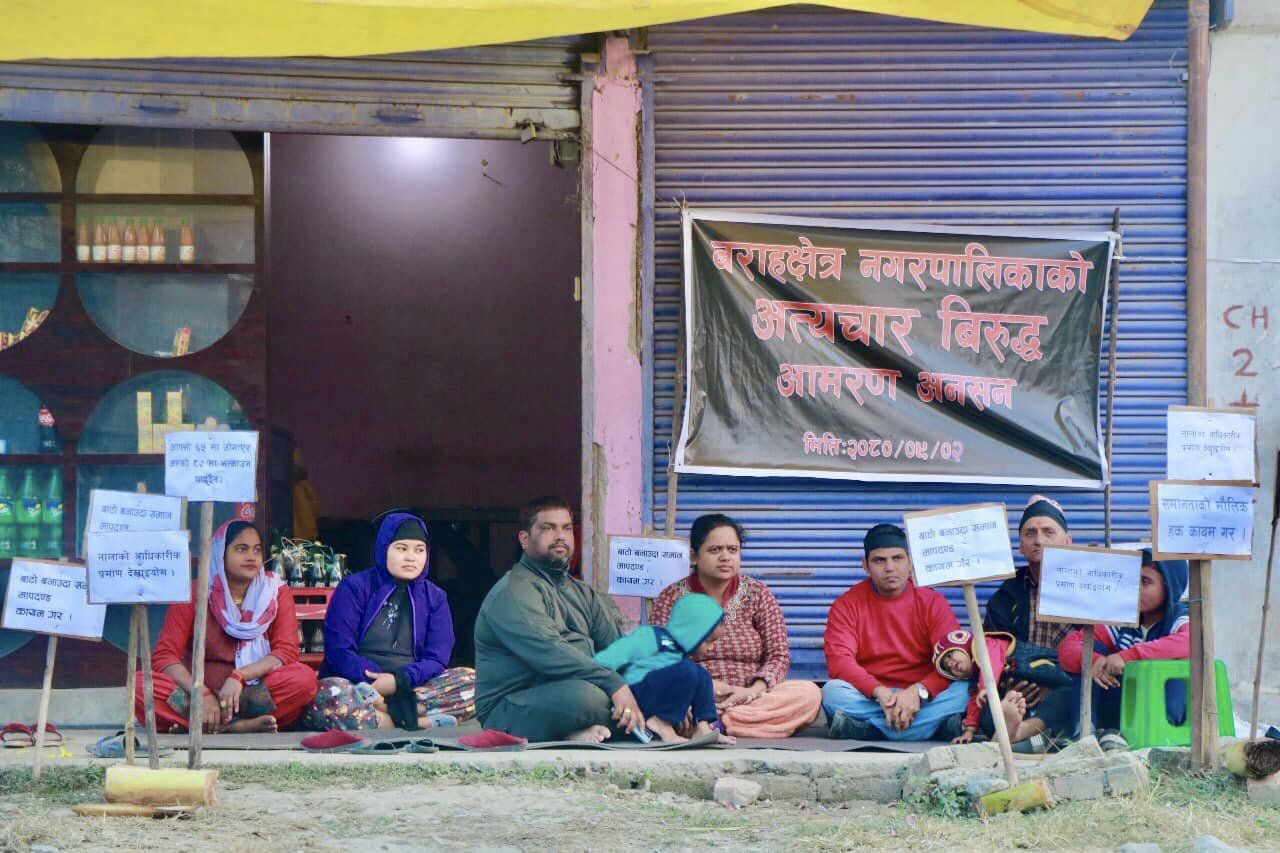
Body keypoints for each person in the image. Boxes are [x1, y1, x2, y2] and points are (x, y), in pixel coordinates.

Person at [474, 497, 642, 743]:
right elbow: (549, 652)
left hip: (572, 689)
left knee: (656, 685)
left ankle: (575, 731)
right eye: (548, 528)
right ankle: (630, 723)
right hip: (511, 706)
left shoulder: (583, 593)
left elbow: (617, 650)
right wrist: (614, 684)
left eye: (566, 528)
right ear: (524, 539)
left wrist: (648, 686)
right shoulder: (513, 591)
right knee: (589, 698)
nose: (560, 536)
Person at [651, 514, 822, 739]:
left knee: (809, 694)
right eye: (715, 550)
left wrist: (751, 691)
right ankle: (728, 722)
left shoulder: (757, 593)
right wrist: (704, 687)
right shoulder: (672, 598)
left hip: (752, 697)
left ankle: (719, 724)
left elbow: (778, 655)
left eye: (732, 550)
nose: (725, 557)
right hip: (694, 695)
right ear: (694, 556)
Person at [139, 521, 318, 733]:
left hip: (252, 693)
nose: (251, 557)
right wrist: (201, 693)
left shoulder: (275, 591)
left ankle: (203, 726)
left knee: (303, 679)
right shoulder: (195, 593)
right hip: (197, 695)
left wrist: (239, 675)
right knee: (141, 684)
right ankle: (236, 726)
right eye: (241, 549)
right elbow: (165, 656)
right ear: (220, 555)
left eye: (257, 550)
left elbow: (286, 652)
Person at [307, 512, 475, 731]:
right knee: (327, 695)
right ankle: (417, 721)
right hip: (361, 685)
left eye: (419, 550)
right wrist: (374, 682)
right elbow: (339, 650)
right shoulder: (354, 588)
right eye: (401, 548)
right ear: (383, 548)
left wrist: (398, 681)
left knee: (472, 683)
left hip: (411, 686)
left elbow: (437, 658)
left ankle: (385, 716)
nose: (411, 557)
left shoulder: (435, 597)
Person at [821, 523, 969, 741]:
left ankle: (873, 730)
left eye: (897, 558)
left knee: (964, 689)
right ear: (865, 566)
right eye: (879, 561)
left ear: (910, 562)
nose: (889, 567)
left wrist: (919, 691)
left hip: (922, 696)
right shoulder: (847, 605)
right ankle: (926, 728)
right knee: (832, 692)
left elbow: (951, 661)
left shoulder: (932, 602)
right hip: (873, 696)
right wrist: (880, 692)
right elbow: (840, 662)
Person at [1058, 549, 1190, 741]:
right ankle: (1086, 733)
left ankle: (1142, 736)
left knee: (1175, 668)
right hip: (1124, 709)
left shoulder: (1179, 618)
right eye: (1132, 581)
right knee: (1088, 655)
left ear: (1170, 587)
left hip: (1164, 715)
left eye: (1145, 582)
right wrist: (1096, 661)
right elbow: (1069, 647)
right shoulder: (1125, 621)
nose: (1136, 589)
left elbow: (1190, 642)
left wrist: (1127, 657)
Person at [982, 495, 1079, 741]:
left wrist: (1051, 682)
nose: (1039, 540)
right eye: (1030, 533)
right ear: (1020, 546)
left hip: (1068, 685)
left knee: (1072, 698)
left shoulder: (1086, 589)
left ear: (1067, 542)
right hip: (1020, 688)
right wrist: (1009, 685)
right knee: (987, 709)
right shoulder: (1006, 595)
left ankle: (1020, 733)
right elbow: (993, 649)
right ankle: (1023, 731)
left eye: (1049, 532)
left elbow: (1097, 648)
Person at [593, 593, 731, 744]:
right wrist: (610, 686)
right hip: (634, 696)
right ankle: (662, 724)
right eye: (708, 641)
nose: (711, 648)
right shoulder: (651, 636)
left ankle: (703, 727)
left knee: (702, 675)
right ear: (691, 631)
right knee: (688, 670)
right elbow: (609, 658)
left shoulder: (680, 653)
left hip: (654, 698)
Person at [933, 628, 1067, 752]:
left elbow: (991, 662)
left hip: (1053, 673)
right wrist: (969, 731)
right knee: (987, 715)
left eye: (949, 655)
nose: (951, 663)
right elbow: (975, 704)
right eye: (948, 668)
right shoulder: (977, 681)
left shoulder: (986, 644)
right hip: (1026, 700)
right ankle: (1021, 734)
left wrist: (986, 686)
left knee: (1065, 695)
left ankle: (1023, 734)